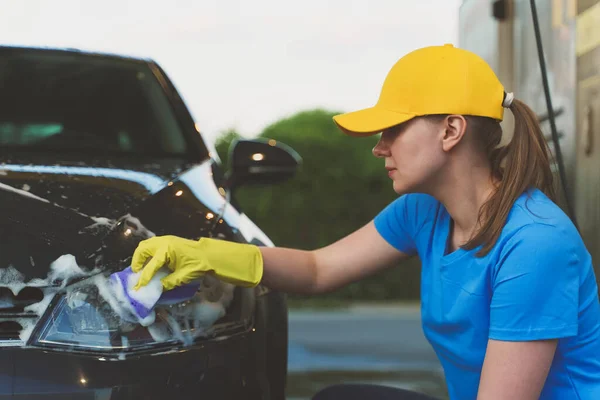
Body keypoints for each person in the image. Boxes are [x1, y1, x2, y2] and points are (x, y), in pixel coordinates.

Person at [131, 44, 600, 399]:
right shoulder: (424, 212)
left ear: (451, 130)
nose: (379, 147)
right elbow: (319, 269)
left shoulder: (535, 244)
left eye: (393, 128)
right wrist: (208, 254)